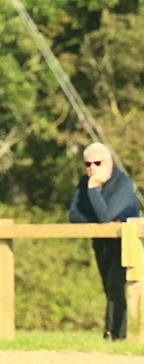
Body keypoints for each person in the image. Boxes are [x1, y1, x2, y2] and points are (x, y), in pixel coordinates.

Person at [68, 142, 140, 340]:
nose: (92, 167)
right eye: (88, 164)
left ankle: (118, 334)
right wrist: (99, 219)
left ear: (109, 163)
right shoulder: (84, 181)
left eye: (97, 163)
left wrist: (93, 190)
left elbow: (106, 214)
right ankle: (112, 333)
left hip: (126, 243)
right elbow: (74, 216)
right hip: (101, 243)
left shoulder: (123, 183)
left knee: (116, 285)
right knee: (108, 288)